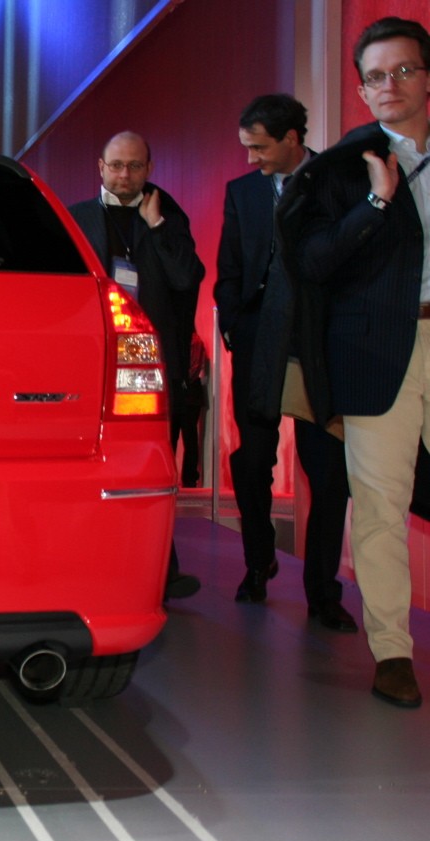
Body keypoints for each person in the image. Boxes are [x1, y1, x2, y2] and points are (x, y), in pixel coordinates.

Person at [286, 17, 430, 709]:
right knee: (378, 506)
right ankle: (392, 651)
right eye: (375, 75)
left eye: (402, 70)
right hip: (378, 354)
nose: (388, 86)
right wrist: (375, 201)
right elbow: (311, 261)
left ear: (426, 77)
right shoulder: (342, 167)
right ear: (360, 88)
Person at [213, 94, 356, 631]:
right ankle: (258, 562)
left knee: (329, 474)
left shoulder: (337, 183)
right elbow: (230, 265)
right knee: (252, 464)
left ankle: (322, 594)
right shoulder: (242, 192)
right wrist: (232, 321)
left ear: (292, 139)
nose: (251, 158)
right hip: (256, 342)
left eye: (260, 147)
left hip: (318, 347)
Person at [69, 131, 206, 600]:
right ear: (100, 167)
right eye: (116, 166)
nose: (125, 175)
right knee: (90, 467)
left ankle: (159, 570)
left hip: (150, 361)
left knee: (153, 464)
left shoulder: (168, 215)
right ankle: (89, 565)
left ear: (149, 168)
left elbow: (188, 277)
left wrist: (158, 229)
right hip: (92, 361)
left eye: (134, 166)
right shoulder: (76, 218)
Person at [179, 330, 208, 488]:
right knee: (190, 437)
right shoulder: (196, 340)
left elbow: (192, 369)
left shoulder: (193, 341)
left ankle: (188, 477)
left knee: (185, 436)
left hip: (187, 391)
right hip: (191, 391)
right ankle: (189, 477)